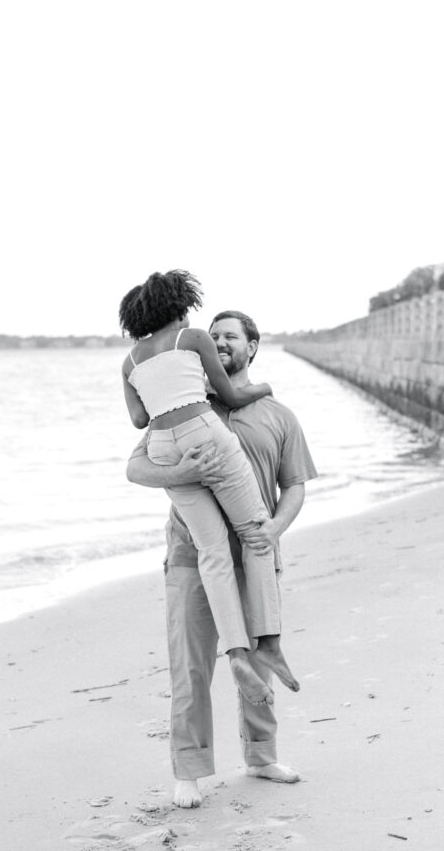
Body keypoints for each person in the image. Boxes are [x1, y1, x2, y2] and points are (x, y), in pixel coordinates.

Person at [127, 310, 317, 808]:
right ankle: (188, 770)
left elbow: (295, 485)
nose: (220, 343)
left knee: (260, 662)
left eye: (230, 336)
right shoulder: (186, 403)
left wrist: (275, 528)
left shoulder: (279, 416)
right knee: (189, 668)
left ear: (252, 346)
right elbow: (138, 466)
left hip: (253, 552)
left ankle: (261, 756)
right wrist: (179, 470)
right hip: (191, 557)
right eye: (213, 337)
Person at [119, 270, 298, 704]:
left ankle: (237, 653)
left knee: (212, 550)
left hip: (163, 448)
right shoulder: (192, 338)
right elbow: (232, 398)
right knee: (256, 529)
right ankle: (268, 642)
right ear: (179, 307)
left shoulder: (130, 361)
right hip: (203, 432)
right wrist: (266, 386)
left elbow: (140, 421)